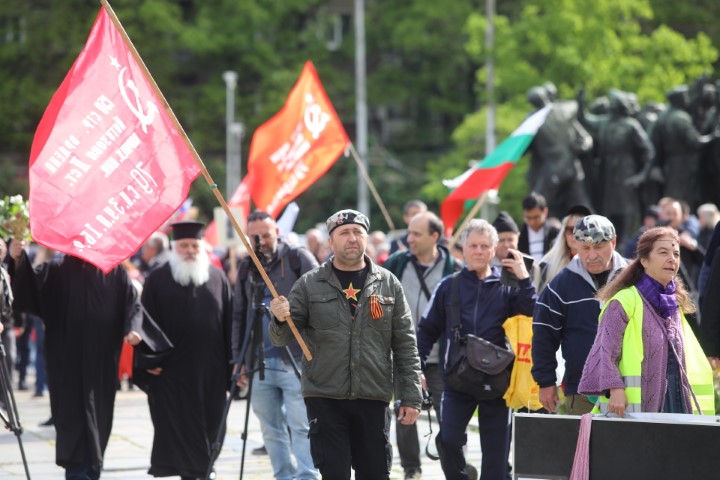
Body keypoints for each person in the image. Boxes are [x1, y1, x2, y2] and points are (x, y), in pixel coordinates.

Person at [268, 209, 423, 480]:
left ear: (366, 239)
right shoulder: (309, 284)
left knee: (375, 473)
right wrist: (280, 319)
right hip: (325, 397)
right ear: (331, 242)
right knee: (334, 474)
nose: (352, 238)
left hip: (373, 396)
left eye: (358, 232)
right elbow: (280, 338)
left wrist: (410, 396)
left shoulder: (388, 284)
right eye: (344, 233)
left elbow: (405, 344)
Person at [8, 239, 141, 480]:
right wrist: (19, 260)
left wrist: (132, 329)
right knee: (72, 421)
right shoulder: (57, 271)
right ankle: (78, 472)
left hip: (101, 362)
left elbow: (132, 304)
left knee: (99, 421)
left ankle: (92, 469)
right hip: (66, 362)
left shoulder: (114, 271)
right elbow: (28, 291)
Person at [416, 219, 536, 480]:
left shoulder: (509, 285)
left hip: (498, 380)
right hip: (458, 380)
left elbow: (531, 312)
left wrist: (524, 277)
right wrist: (416, 369)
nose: (479, 251)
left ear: (494, 249)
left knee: (496, 455)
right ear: (464, 248)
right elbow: (426, 331)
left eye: (484, 246)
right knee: (448, 440)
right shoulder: (449, 286)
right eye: (473, 245)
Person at [578, 227, 714, 415]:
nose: (672, 259)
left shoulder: (675, 305)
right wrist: (615, 389)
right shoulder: (623, 301)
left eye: (676, 254)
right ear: (644, 260)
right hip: (632, 413)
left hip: (677, 406)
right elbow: (604, 351)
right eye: (663, 252)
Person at [134, 221, 233, 480]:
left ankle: (202, 469)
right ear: (175, 248)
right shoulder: (157, 278)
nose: (190, 250)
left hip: (211, 372)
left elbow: (229, 324)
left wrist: (233, 366)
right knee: (179, 429)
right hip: (171, 373)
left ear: (202, 247)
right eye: (184, 245)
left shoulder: (217, 277)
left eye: (194, 245)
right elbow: (144, 324)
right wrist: (147, 360)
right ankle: (200, 473)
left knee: (212, 425)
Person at [232, 211, 319, 480]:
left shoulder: (297, 258)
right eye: (255, 236)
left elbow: (321, 301)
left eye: (267, 234)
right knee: (270, 428)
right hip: (260, 360)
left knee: (301, 424)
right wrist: (239, 356)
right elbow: (239, 313)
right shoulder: (246, 267)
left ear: (277, 232)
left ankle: (307, 476)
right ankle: (283, 474)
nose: (261, 240)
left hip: (294, 358)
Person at [383, 211, 461, 479]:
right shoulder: (396, 263)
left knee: (450, 419)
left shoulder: (455, 269)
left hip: (441, 358)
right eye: (409, 232)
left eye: (416, 233)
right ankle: (411, 469)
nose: (409, 238)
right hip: (402, 356)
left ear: (434, 237)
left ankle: (454, 466)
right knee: (405, 414)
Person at [531, 215, 627, 415]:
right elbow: (544, 335)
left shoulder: (634, 277)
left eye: (599, 246)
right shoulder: (561, 285)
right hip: (582, 390)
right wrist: (546, 382)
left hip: (633, 387)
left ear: (614, 242)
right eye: (585, 248)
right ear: (575, 246)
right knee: (586, 446)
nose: (592, 255)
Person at [535, 205, 592, 293]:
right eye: (570, 230)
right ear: (563, 233)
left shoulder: (601, 265)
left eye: (581, 229)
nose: (575, 235)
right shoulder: (547, 266)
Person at [518, 192, 560, 262]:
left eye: (536, 217)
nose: (532, 222)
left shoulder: (556, 234)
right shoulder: (519, 238)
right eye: (528, 218)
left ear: (545, 212)